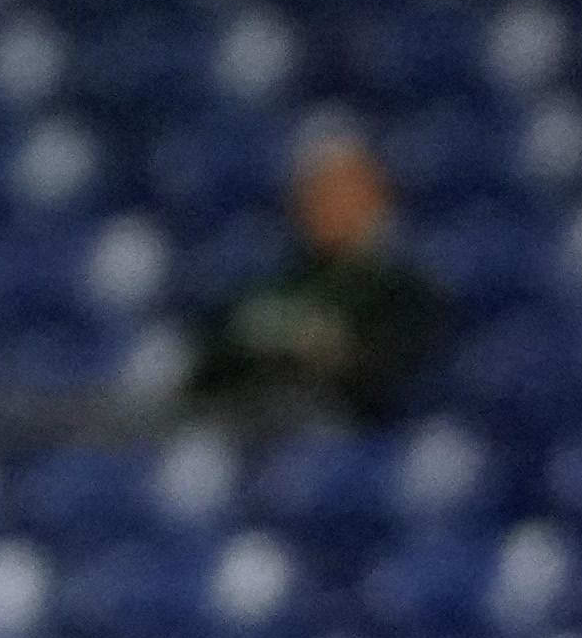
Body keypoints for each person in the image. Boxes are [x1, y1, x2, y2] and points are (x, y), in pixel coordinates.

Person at [182, 131, 453, 431]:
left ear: (377, 198)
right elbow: (210, 363)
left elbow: (401, 377)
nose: (329, 205)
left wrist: (330, 349)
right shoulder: (277, 282)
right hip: (251, 425)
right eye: (317, 192)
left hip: (351, 435)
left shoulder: (403, 289)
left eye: (344, 192)